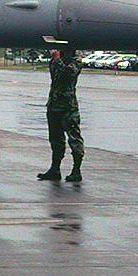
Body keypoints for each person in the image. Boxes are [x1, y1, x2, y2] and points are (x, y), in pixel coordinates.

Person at [38, 47, 85, 181]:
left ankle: (76, 171)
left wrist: (57, 60)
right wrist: (56, 60)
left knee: (74, 138)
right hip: (54, 105)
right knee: (55, 139)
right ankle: (55, 169)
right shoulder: (55, 61)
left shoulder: (75, 61)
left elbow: (68, 75)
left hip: (68, 107)